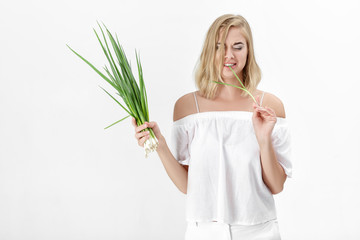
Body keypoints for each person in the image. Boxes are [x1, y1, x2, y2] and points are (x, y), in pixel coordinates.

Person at [131, 14, 292, 240]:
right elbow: (188, 186)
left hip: (258, 232)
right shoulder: (188, 107)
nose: (229, 55)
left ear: (248, 51)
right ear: (210, 51)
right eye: (219, 47)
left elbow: (277, 185)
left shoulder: (270, 106)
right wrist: (159, 145)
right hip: (203, 232)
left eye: (237, 46)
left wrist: (264, 140)